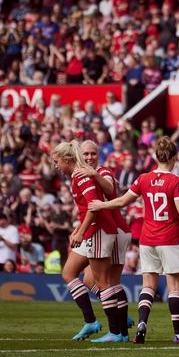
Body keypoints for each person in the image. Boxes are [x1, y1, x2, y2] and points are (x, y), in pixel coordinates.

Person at [88, 137, 179, 345]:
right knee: (174, 287)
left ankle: (141, 324)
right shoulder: (176, 181)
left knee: (148, 285)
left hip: (147, 239)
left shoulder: (143, 178)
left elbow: (121, 201)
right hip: (169, 238)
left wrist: (100, 205)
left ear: (157, 157)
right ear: (173, 158)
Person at [52, 141, 121, 343]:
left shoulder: (81, 176)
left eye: (57, 161)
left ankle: (116, 331)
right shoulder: (77, 175)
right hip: (93, 230)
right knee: (69, 273)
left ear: (66, 160)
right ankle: (92, 321)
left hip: (98, 230)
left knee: (102, 283)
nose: (56, 166)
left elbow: (94, 207)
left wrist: (81, 232)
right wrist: (78, 230)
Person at [77, 140, 134, 340]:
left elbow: (110, 189)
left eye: (93, 153)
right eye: (86, 154)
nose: (89, 157)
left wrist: (94, 174)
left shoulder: (103, 171)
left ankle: (117, 326)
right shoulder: (81, 173)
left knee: (106, 281)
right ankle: (121, 319)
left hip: (113, 229)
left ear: (98, 154)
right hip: (111, 229)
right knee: (90, 279)